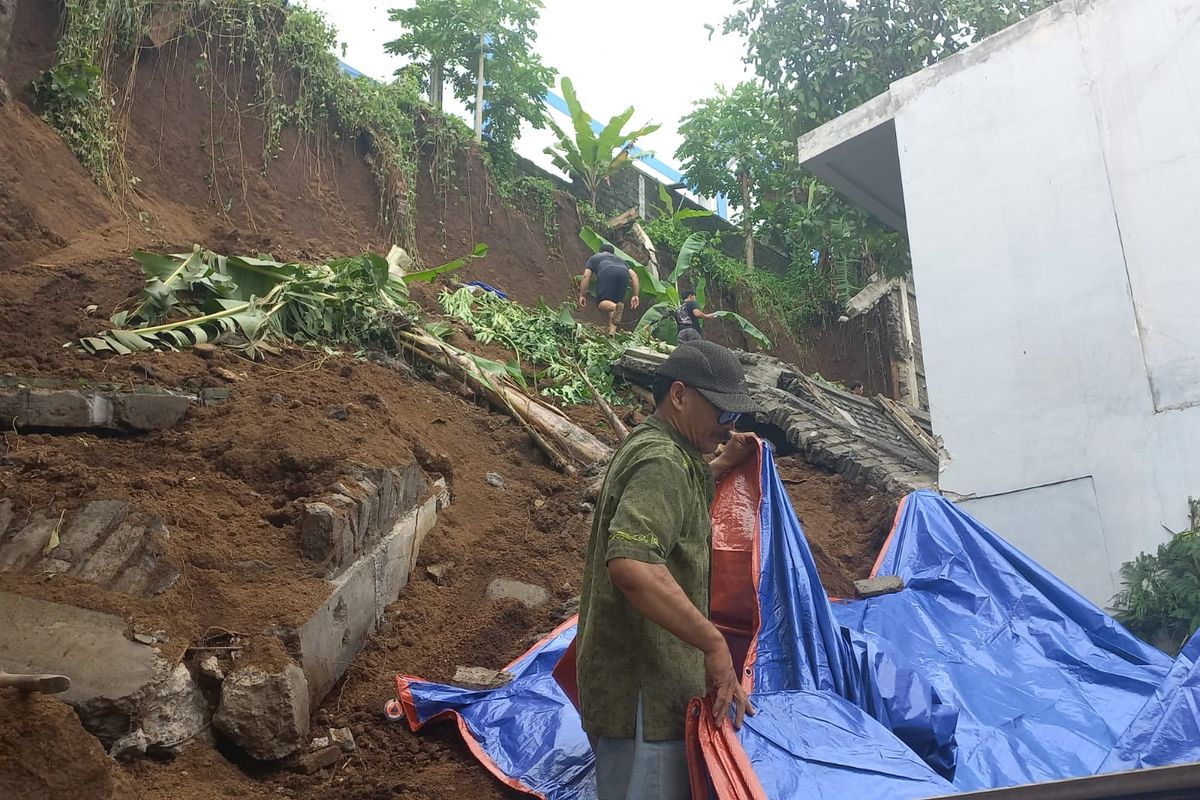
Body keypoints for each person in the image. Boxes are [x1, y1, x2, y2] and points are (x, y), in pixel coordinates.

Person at [576, 340, 759, 799]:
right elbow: (633, 565)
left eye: (735, 416)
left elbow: (673, 502)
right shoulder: (662, 462)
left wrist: (722, 463)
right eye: (722, 412)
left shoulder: (662, 447)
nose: (729, 425)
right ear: (679, 395)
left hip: (641, 683)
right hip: (644, 693)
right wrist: (714, 644)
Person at [580, 244, 640, 335]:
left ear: (600, 251)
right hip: (624, 274)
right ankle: (611, 333)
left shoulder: (595, 257)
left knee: (602, 304)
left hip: (607, 271)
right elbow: (634, 276)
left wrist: (582, 295)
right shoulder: (621, 260)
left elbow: (586, 275)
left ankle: (616, 307)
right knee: (614, 304)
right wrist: (635, 295)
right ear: (612, 253)